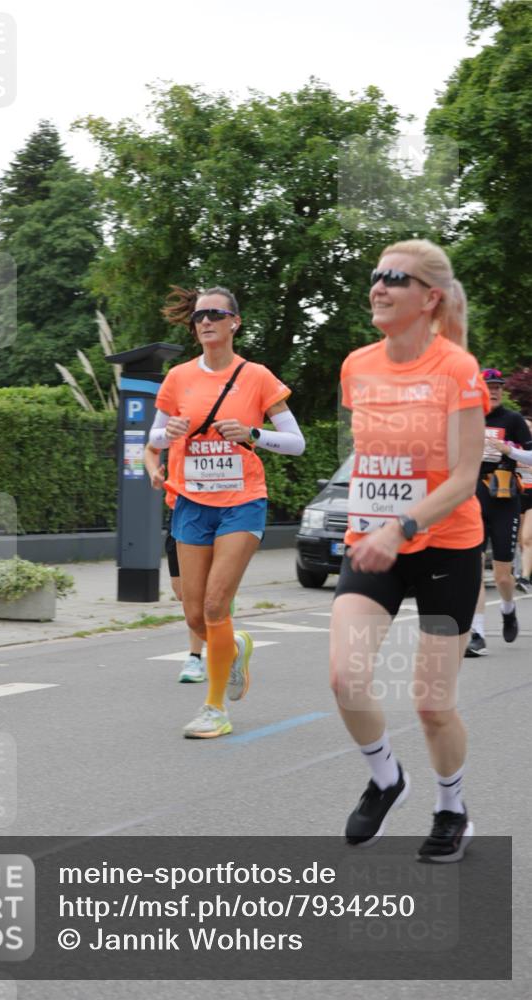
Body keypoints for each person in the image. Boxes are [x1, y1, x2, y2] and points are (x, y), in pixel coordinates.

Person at [330, 239, 489, 863]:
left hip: (445, 545)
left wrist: (401, 526)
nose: (378, 285)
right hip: (369, 544)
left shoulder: (457, 369)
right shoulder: (356, 366)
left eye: (394, 278)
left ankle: (452, 807)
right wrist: (376, 526)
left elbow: (463, 476)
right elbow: (371, 457)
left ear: (430, 299)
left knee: (432, 703)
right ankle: (386, 778)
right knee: (345, 677)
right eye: (374, 275)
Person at [149, 285, 305, 738]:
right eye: (199, 316)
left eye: (215, 314)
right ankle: (232, 645)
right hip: (192, 503)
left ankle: (214, 708)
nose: (205, 322)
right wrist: (169, 431)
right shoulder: (178, 377)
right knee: (195, 615)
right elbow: (154, 440)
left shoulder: (256, 376)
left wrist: (253, 433)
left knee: (217, 604)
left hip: (242, 502)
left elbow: (297, 443)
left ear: (234, 322)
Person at [464, 371, 532, 656]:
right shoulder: (467, 419)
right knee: (474, 570)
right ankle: (477, 633)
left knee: (503, 574)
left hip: (504, 499)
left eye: (497, 388)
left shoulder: (513, 420)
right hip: (472, 499)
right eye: (488, 387)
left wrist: (509, 451)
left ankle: (508, 608)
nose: (493, 392)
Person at [143, 440, 206, 682]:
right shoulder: (174, 428)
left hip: (212, 511)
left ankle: (194, 657)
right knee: (184, 594)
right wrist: (153, 473)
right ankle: (224, 630)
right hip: (179, 513)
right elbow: (150, 449)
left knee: (202, 597)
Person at [491, 417, 532, 592]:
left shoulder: (526, 448)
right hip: (515, 493)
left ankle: (525, 577)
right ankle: (516, 571)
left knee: (527, 538)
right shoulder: (507, 445)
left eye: (529, 427)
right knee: (519, 541)